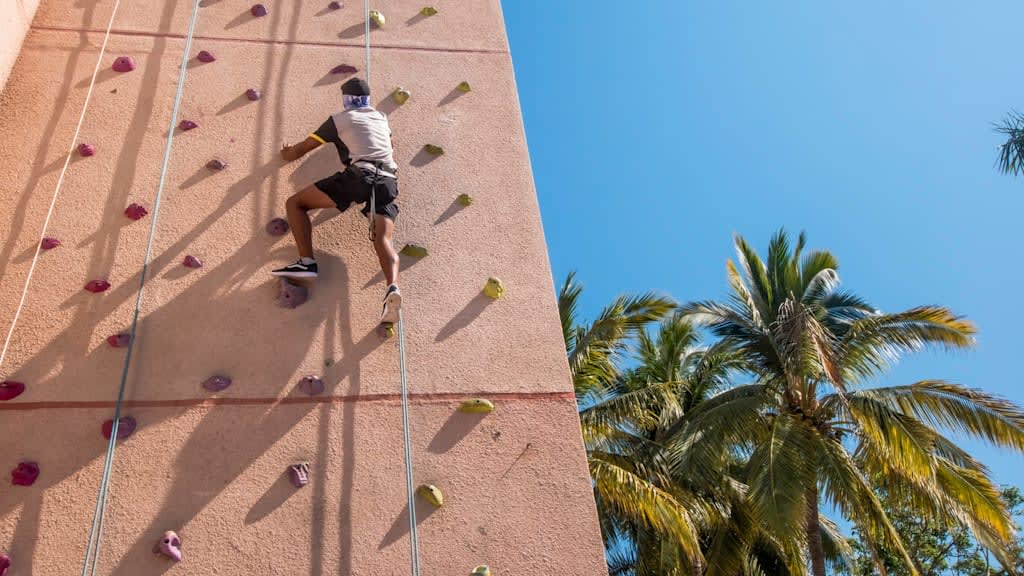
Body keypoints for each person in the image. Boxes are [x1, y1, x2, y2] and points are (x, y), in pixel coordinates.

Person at [274, 77, 402, 324]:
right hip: (387, 180)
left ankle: (306, 263)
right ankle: (392, 287)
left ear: (346, 99)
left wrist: (285, 152)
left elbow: (301, 150)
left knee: (295, 203)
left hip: (360, 175)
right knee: (383, 238)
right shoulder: (381, 119)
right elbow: (389, 146)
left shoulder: (340, 119)